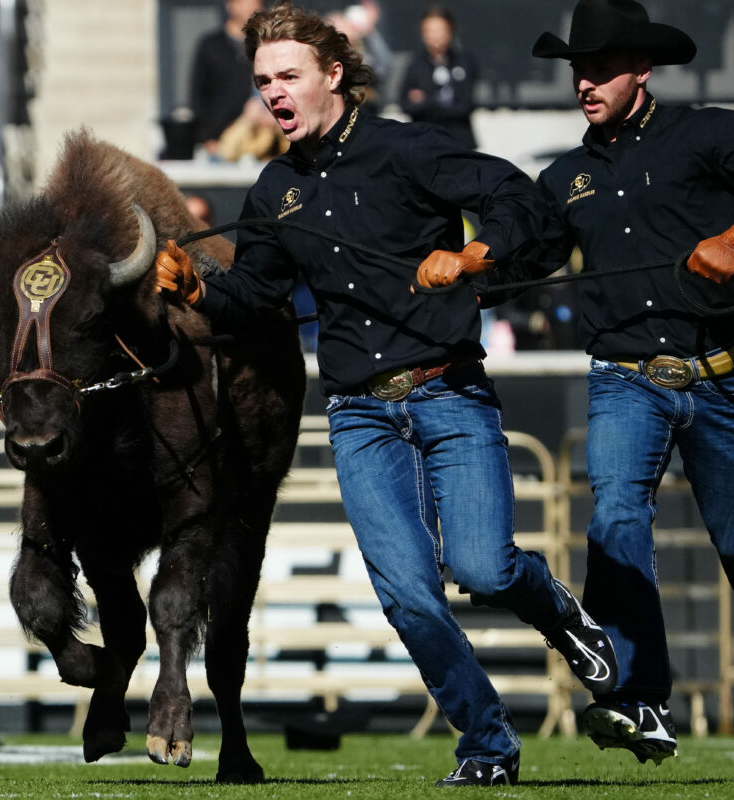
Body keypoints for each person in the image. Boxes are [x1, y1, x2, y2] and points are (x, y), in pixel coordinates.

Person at [155, 3, 617, 786]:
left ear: (334, 75)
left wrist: (473, 254)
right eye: (263, 80)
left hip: (449, 390)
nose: (272, 92)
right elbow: (256, 299)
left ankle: (560, 614)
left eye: (287, 76)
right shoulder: (274, 189)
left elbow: (523, 204)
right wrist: (197, 289)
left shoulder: (409, 149)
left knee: (486, 568)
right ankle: (487, 745)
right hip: (359, 412)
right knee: (408, 596)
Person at [504, 0, 727, 765]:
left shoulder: (707, 131)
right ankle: (639, 702)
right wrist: (462, 262)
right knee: (616, 523)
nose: (585, 83)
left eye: (600, 68)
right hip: (626, 377)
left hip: (723, 373)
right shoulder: (562, 178)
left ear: (643, 69)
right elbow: (518, 256)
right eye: (577, 70)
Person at [188, 0, 263, 157]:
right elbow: (197, 96)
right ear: (231, 5)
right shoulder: (210, 46)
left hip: (258, 141)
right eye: (245, 2)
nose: (252, 7)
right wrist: (206, 138)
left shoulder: (265, 46)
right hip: (218, 143)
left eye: (256, 2)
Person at [399, 4, 478, 150]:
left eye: (440, 30)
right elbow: (406, 104)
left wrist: (426, 100)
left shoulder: (464, 61)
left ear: (450, 31)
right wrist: (440, 102)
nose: (435, 35)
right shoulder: (415, 64)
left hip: (459, 141)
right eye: (430, 30)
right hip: (424, 140)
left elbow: (464, 105)